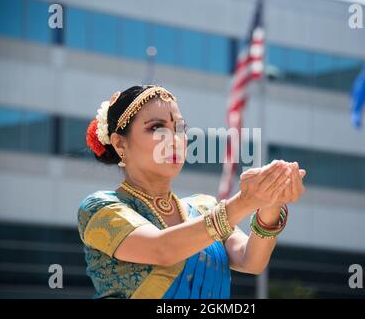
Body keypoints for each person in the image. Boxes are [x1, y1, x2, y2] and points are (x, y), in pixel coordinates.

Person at [78, 84, 306, 298]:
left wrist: (270, 201)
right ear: (120, 144)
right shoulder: (101, 208)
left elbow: (251, 260)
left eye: (180, 128)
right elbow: (162, 250)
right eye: (156, 128)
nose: (175, 140)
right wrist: (245, 202)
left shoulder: (204, 207)